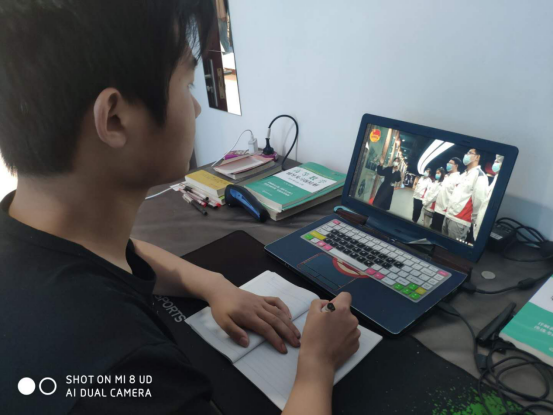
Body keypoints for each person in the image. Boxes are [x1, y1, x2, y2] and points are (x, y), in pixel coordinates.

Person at [0, 2, 360, 415]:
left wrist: (213, 285)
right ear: (114, 119)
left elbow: (126, 252)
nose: (197, 108)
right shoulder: (124, 365)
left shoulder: (32, 230)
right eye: (188, 84)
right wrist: (317, 364)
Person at [443, 149, 489, 242]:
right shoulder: (463, 175)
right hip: (448, 215)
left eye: (470, 153)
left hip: (460, 220)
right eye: (466, 153)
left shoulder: (480, 176)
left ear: (477, 157)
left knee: (452, 248)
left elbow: (479, 201)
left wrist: (473, 220)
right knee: (442, 244)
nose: (466, 155)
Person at [473, 155, 504, 240]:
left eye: (498, 162)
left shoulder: (501, 181)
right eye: (495, 161)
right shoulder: (496, 178)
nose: (495, 163)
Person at [431, 157, 462, 232]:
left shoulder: (458, 179)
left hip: (444, 212)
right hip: (437, 209)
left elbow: (456, 197)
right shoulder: (447, 177)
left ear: (456, 166)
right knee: (432, 230)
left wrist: (448, 209)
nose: (448, 164)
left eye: (450, 163)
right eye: (448, 163)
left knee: (438, 232)